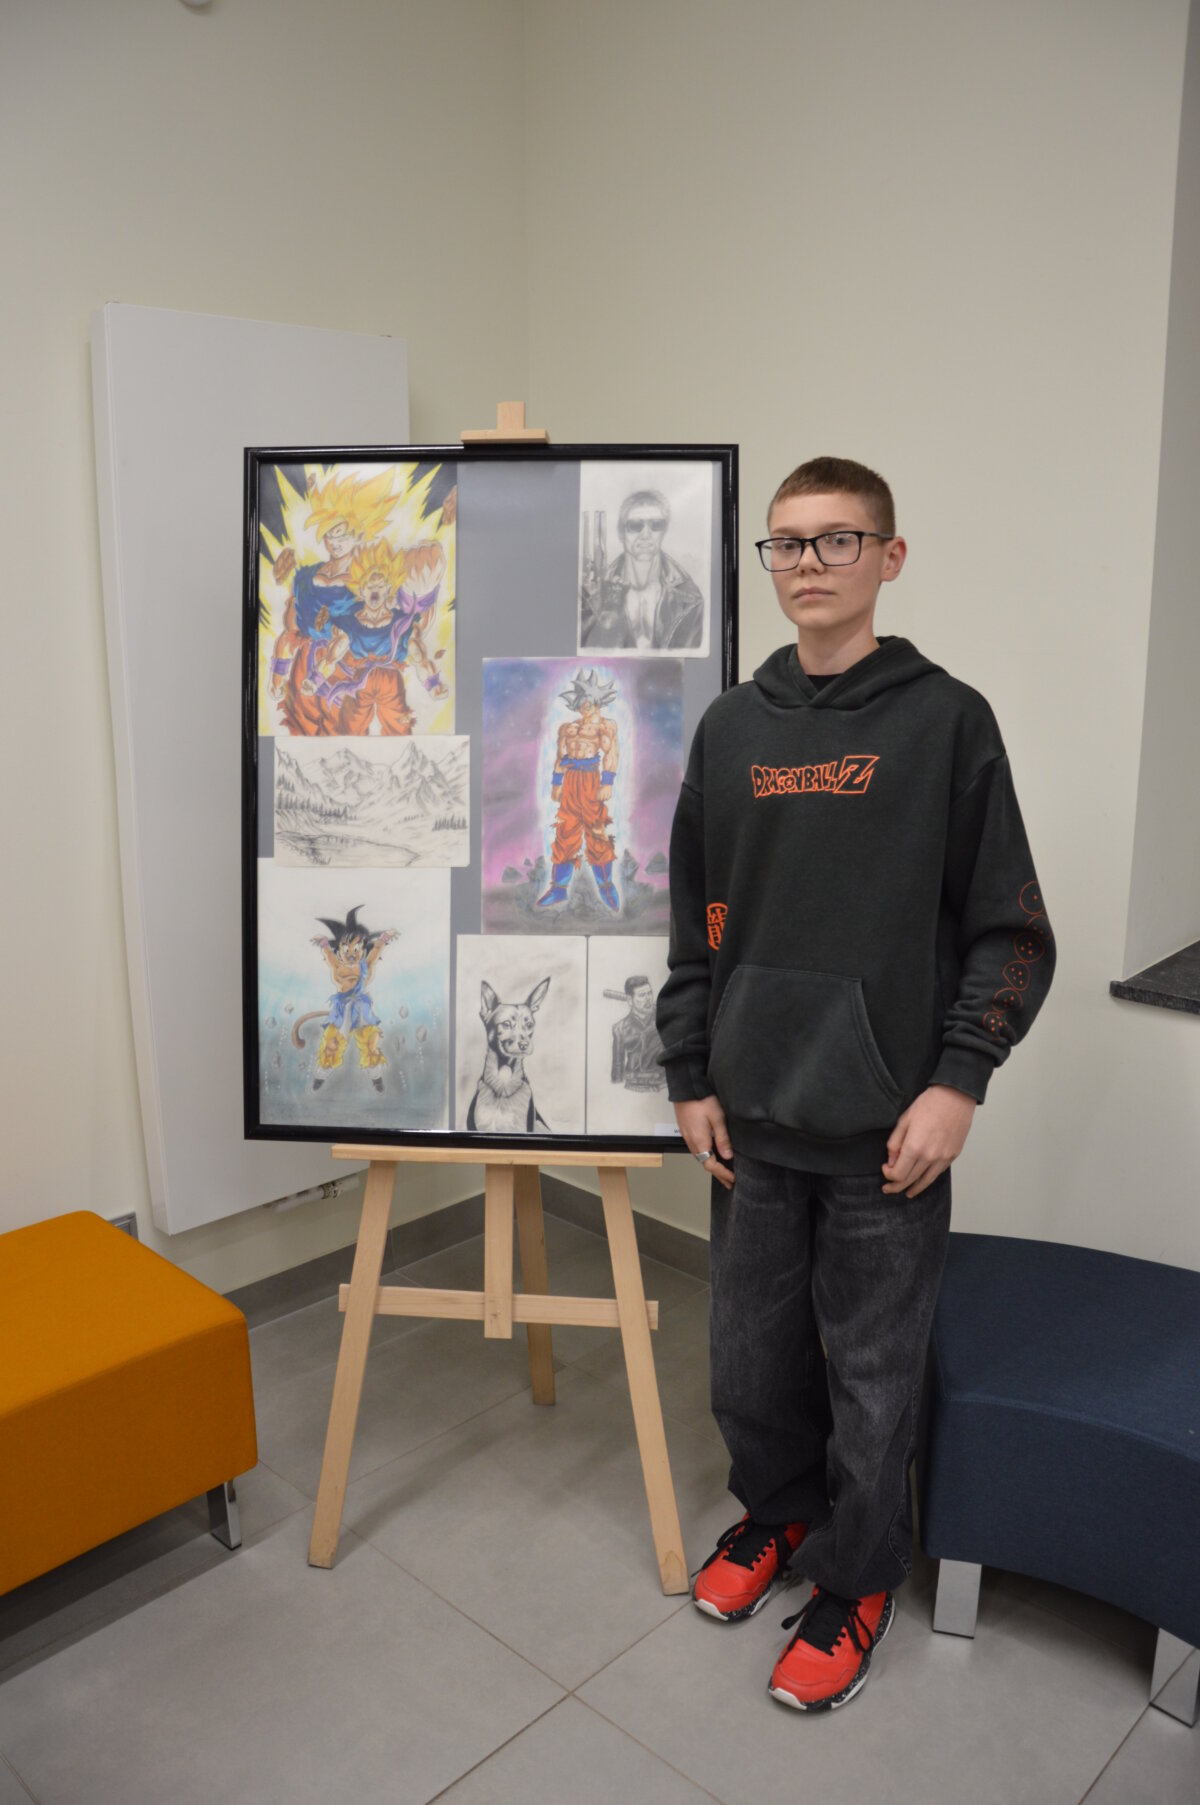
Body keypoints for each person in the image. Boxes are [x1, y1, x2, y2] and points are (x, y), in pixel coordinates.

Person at [655, 455, 1055, 1713]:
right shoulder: (732, 728)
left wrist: (958, 1081)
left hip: (889, 1131)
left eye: (838, 539)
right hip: (751, 1117)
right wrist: (690, 1069)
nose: (809, 564)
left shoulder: (947, 722)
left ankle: (859, 1572)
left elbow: (1011, 928)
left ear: (890, 556)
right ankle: (778, 1511)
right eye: (787, 542)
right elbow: (693, 921)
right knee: (748, 1362)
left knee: (873, 1380)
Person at [580, 488, 704, 650]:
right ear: (621, 533)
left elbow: (692, 660)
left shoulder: (690, 598)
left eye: (656, 525)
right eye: (635, 525)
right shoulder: (591, 596)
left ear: (664, 532)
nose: (646, 534)